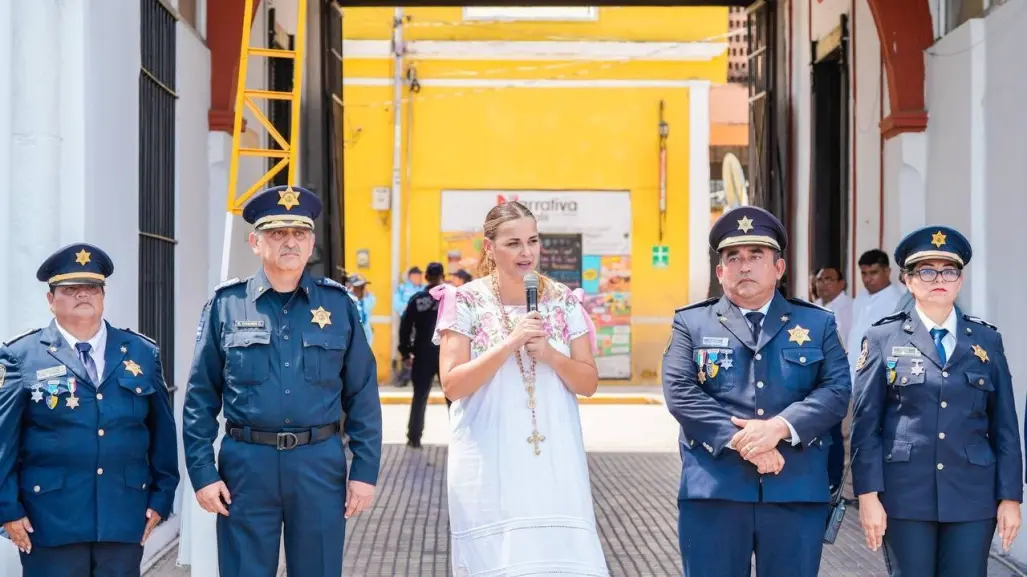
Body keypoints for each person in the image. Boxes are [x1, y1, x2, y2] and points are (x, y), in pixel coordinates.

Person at [182, 185, 383, 577]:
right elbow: (200, 398)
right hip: (246, 465)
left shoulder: (338, 306)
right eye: (277, 233)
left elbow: (362, 394)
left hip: (318, 463)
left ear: (310, 244)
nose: (290, 242)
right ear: (255, 242)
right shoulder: (227, 305)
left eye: (299, 234)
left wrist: (363, 472)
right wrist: (204, 474)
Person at [662, 206, 850, 577]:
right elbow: (680, 392)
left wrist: (778, 428)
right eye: (734, 257)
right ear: (720, 272)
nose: (744, 266)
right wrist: (745, 441)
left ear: (779, 268)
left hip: (795, 488)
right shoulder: (691, 323)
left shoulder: (817, 323)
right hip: (715, 490)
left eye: (756, 256)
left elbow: (837, 390)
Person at [433, 201, 610, 576]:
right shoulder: (465, 301)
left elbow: (589, 382)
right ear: (489, 247)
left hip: (555, 462)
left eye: (533, 240)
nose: (526, 252)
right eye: (513, 243)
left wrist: (550, 355)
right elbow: (452, 384)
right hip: (488, 459)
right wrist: (509, 343)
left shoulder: (562, 300)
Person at [850, 226, 1022, 576]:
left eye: (949, 271)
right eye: (926, 271)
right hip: (904, 495)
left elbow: (1005, 425)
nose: (938, 279)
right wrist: (867, 495)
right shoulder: (883, 338)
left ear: (959, 281)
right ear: (908, 281)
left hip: (972, 495)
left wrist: (1011, 497)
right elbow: (866, 426)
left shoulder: (987, 340)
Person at [0, 243, 179, 577]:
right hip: (49, 520)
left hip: (124, 516)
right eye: (70, 289)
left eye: (92, 288)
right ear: (51, 300)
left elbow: (162, 435)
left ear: (103, 296)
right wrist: (7, 509)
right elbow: (2, 443)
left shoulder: (141, 352)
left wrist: (162, 498)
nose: (84, 295)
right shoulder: (20, 356)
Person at [399, 262, 449, 448]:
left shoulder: (417, 299)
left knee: (419, 397)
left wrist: (405, 351)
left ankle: (414, 437)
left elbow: (405, 327)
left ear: (426, 277)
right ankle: (461, 439)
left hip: (422, 354)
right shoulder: (452, 299)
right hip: (447, 354)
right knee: (454, 399)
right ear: (442, 276)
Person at [347, 273, 376, 346]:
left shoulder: (365, 300)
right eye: (359, 287)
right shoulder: (348, 301)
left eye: (363, 286)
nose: (363, 289)